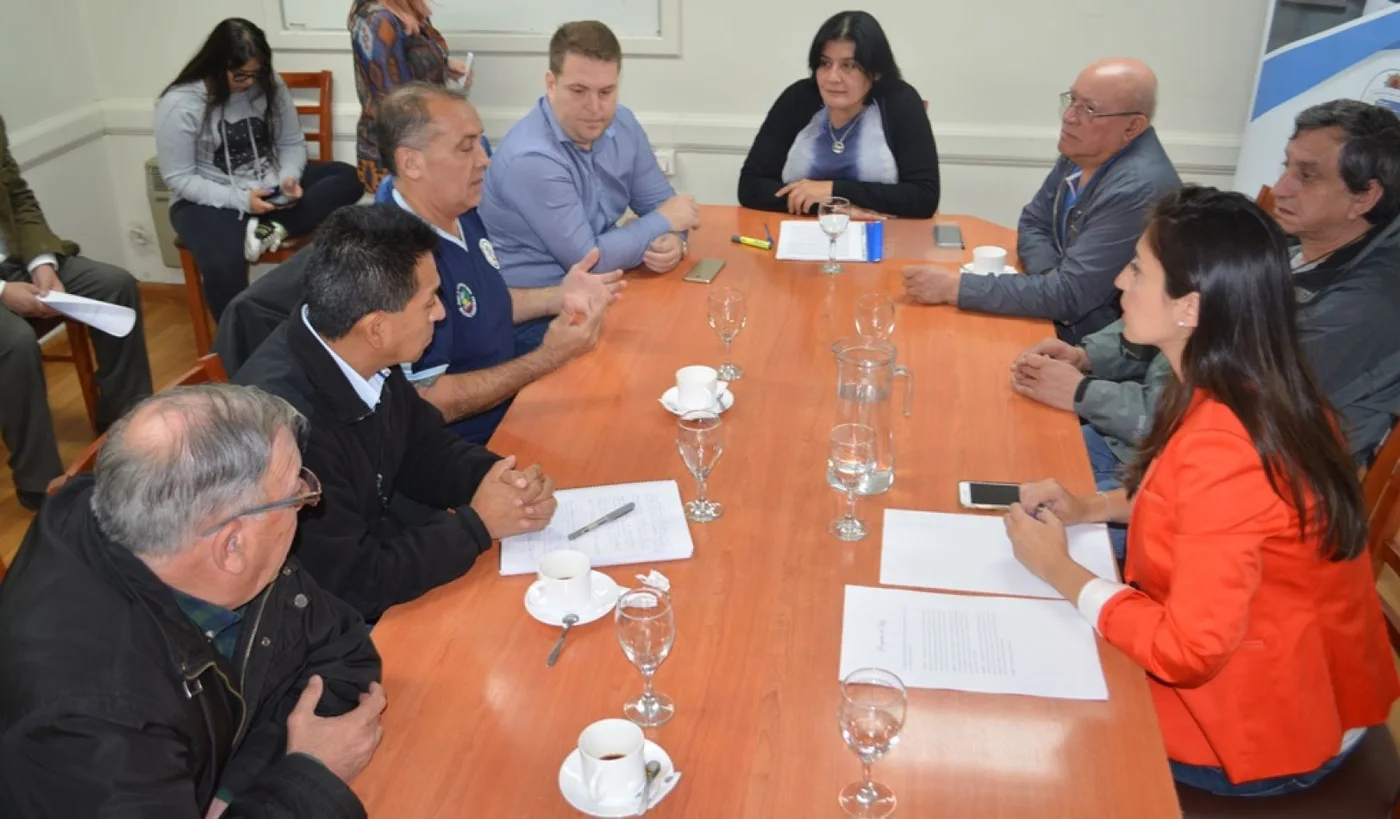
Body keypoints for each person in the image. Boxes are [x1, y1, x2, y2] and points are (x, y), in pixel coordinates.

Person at [1004, 186, 1399, 797]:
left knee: (1029, 731)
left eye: (1137, 268)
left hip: (1260, 730)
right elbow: (1184, 497)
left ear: (1189, 307)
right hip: (1284, 675)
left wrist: (1063, 573)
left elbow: (1190, 651)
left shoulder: (1231, 444)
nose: (1118, 282)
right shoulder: (1244, 378)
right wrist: (1092, 507)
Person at [1010, 99, 1400, 555]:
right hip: (1149, 453)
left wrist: (1081, 394)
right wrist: (1088, 354)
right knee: (996, 459)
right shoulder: (1291, 239)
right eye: (1287, 167)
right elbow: (1173, 304)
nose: (1282, 187)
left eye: (1307, 175)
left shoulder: (1366, 308)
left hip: (1226, 505)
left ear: (1365, 196)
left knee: (1002, 525)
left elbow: (1218, 425)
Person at [0, 384, 383, 817]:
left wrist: (239, 785)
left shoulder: (168, 528)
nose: (308, 499)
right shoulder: (93, 726)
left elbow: (341, 650)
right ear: (232, 545)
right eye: (295, 495)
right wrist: (311, 777)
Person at [234, 204, 558, 621]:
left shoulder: (360, 352)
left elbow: (423, 445)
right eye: (429, 303)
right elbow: (356, 581)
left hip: (387, 552)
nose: (441, 312)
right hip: (328, 620)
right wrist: (477, 526)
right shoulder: (287, 430)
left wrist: (497, 478)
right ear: (377, 327)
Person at [374, 83, 623, 443]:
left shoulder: (461, 207)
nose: (484, 159)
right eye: (465, 147)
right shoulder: (396, 256)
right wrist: (545, 359)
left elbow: (477, 304)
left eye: (480, 142)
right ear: (411, 163)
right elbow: (428, 401)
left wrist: (558, 296)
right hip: (469, 443)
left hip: (511, 398)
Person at [903, 58, 1180, 344]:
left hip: (1094, 351)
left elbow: (1071, 295)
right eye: (1072, 100)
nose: (1069, 117)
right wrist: (1051, 280)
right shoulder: (1083, 152)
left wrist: (956, 289)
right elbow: (1034, 222)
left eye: (1090, 109)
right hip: (1054, 319)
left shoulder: (1137, 189)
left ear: (1133, 127)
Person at [478, 20, 701, 354]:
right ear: (551, 84)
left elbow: (664, 204)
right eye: (579, 91)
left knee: (688, 335)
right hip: (540, 315)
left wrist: (673, 242)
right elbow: (589, 259)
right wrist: (663, 223)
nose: (596, 108)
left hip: (606, 290)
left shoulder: (622, 123)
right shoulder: (531, 158)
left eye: (606, 92)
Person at [156, 18, 364, 320]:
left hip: (268, 184)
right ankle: (237, 350)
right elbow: (178, 178)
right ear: (215, 65)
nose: (250, 83)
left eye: (256, 74)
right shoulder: (180, 104)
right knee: (222, 263)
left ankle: (272, 228)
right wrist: (240, 200)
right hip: (207, 199)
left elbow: (291, 142)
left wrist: (288, 179)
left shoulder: (270, 85)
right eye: (240, 76)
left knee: (347, 178)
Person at [0, 115, 153, 513]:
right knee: (14, 342)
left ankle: (126, 424)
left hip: (14, 258)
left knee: (116, 285)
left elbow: (18, 196)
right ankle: (38, 480)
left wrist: (41, 262)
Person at [737, 11, 939, 219]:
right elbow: (751, 187)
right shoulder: (798, 98)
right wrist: (833, 209)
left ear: (877, 71)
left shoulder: (900, 102)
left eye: (848, 65)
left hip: (882, 237)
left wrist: (833, 190)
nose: (832, 78)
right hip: (799, 235)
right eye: (825, 63)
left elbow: (924, 197)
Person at [348, 0, 476, 192]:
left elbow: (408, 63)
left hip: (424, 140)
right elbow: (393, 100)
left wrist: (444, 66)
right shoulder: (377, 19)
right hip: (400, 152)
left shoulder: (408, 8)